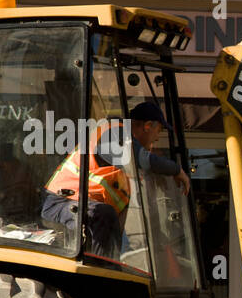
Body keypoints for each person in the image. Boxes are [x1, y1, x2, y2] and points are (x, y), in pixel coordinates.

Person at [41, 101, 190, 258]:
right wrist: (178, 170)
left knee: (108, 225)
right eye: (158, 130)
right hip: (59, 203)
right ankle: (101, 272)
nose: (158, 138)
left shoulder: (121, 176)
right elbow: (144, 160)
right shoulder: (114, 132)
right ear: (147, 126)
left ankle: (106, 269)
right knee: (103, 213)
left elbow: (118, 227)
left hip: (78, 208)